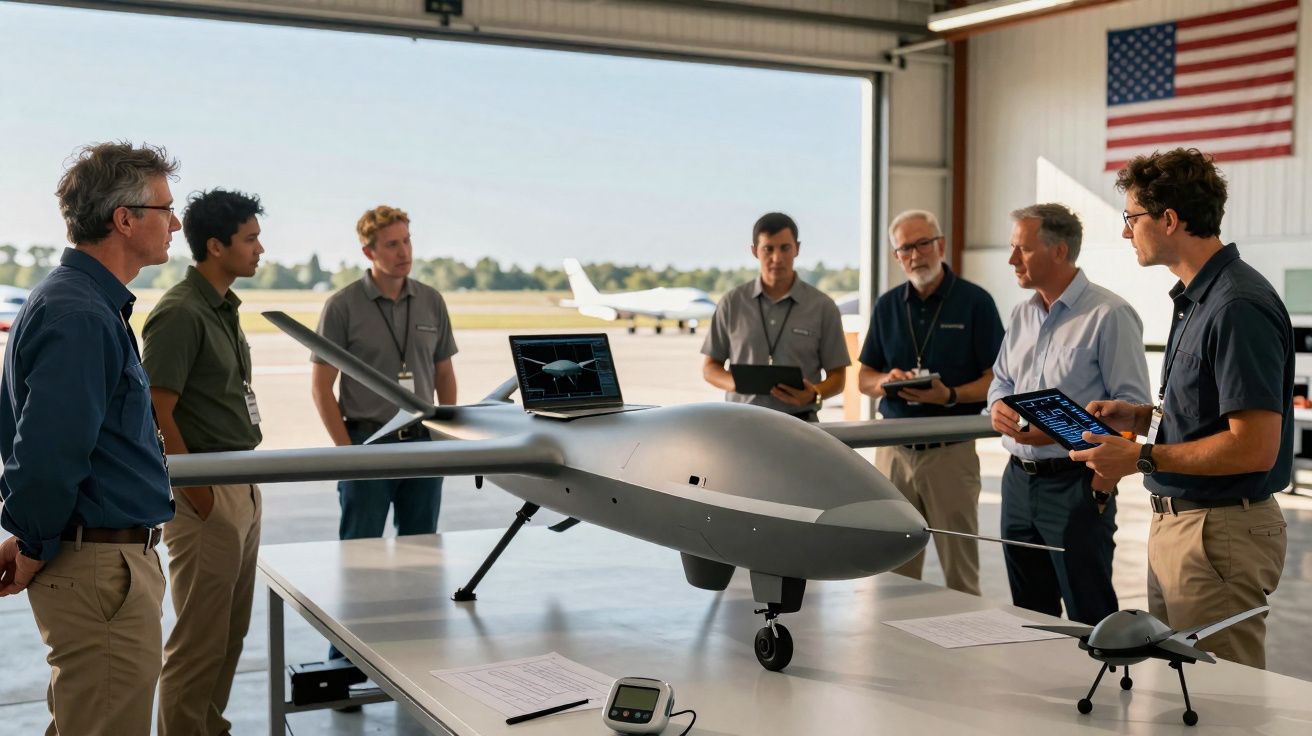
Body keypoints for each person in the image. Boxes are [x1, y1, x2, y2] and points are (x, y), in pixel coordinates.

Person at [1072, 148, 1291, 669]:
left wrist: (1144, 457)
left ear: (1169, 219)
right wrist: (1144, 416)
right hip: (1185, 526)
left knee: (1221, 697)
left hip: (1219, 532)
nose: (1127, 232)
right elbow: (1211, 410)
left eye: (1132, 218)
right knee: (1187, 685)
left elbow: (1255, 447)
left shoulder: (1236, 305)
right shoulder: (1199, 297)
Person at [0, 141, 178, 734]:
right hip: (102, 570)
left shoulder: (76, 303)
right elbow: (46, 457)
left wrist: (34, 537)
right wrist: (31, 542)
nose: (175, 222)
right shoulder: (80, 314)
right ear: (124, 219)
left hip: (96, 561)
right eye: (164, 209)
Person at [988, 203, 1150, 625]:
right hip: (1018, 483)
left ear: (1058, 251)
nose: (1011, 260)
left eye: (1021, 250)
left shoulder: (1109, 315)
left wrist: (1098, 491)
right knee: (1028, 613)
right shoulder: (1021, 314)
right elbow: (1001, 381)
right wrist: (998, 407)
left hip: (1076, 485)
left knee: (1089, 613)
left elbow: (1131, 410)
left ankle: (1101, 690)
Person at [143, 188, 266, 734]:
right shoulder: (181, 312)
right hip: (206, 493)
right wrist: (199, 496)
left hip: (241, 485)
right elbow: (155, 410)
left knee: (229, 633)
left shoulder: (223, 308)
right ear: (216, 246)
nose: (260, 248)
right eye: (251, 238)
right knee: (197, 641)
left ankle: (207, 727)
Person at [857, 210, 1004, 595]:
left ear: (940, 244)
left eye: (923, 243)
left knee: (961, 573)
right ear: (896, 256)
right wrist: (885, 381)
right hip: (893, 453)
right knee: (893, 573)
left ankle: (963, 649)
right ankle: (899, 652)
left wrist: (950, 395)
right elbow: (863, 378)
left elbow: (998, 379)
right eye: (905, 247)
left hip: (949, 454)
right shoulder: (888, 305)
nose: (916, 254)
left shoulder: (976, 303)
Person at [313, 204, 458, 540]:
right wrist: (347, 453)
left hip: (423, 443)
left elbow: (445, 375)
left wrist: (446, 441)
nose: (403, 251)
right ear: (368, 251)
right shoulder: (342, 306)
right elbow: (321, 388)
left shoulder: (431, 300)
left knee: (423, 550)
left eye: (406, 241)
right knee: (359, 552)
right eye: (392, 244)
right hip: (367, 444)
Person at [702, 212, 848, 421]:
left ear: (797, 248)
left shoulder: (823, 307)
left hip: (801, 425)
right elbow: (710, 368)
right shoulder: (731, 303)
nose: (777, 258)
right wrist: (736, 383)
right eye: (768, 249)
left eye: (785, 248)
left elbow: (838, 378)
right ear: (754, 251)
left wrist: (814, 394)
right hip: (741, 424)